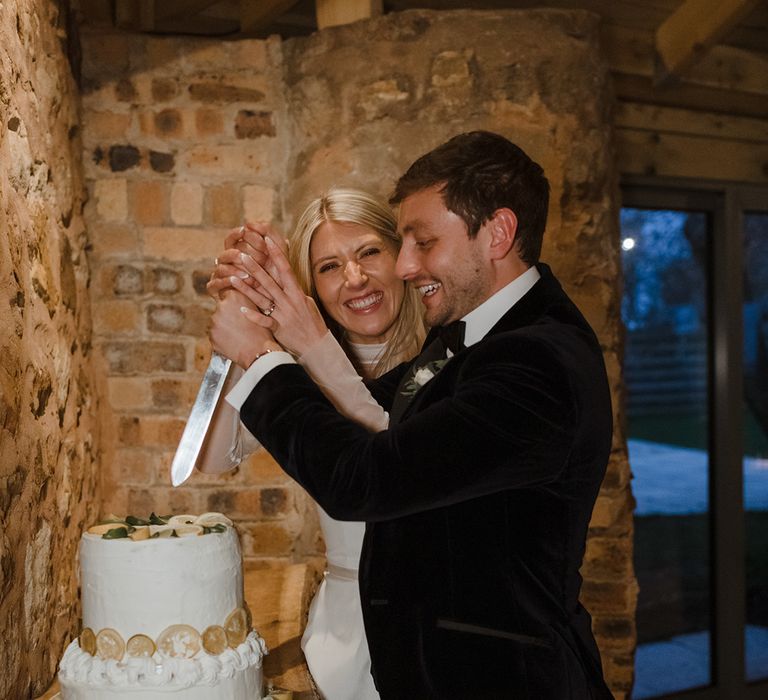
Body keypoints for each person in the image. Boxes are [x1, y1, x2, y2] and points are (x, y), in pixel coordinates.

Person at [210, 131, 614, 699]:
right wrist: (296, 322)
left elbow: (366, 479)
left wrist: (260, 358)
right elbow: (377, 417)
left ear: (498, 233)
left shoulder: (537, 362)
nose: (403, 266)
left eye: (423, 243)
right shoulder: (465, 339)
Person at [202, 187, 425, 700]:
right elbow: (215, 457)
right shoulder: (300, 372)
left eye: (369, 252)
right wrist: (246, 317)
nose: (354, 278)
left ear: (402, 257)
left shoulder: (444, 355)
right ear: (312, 288)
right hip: (340, 622)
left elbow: (392, 469)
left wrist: (302, 344)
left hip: (423, 617)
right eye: (328, 266)